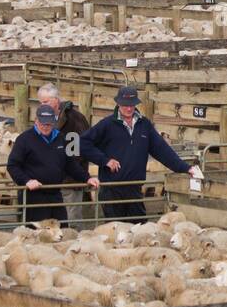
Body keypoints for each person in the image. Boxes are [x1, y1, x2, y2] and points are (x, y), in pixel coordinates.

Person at [80, 85, 202, 221]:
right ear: (118, 103)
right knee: (117, 231)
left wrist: (186, 167)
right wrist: (105, 160)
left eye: (132, 105)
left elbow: (162, 150)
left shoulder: (144, 125)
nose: (129, 108)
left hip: (135, 187)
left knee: (139, 228)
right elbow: (82, 143)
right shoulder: (107, 125)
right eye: (125, 105)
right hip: (112, 189)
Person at [6, 105, 99, 224]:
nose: (45, 127)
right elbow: (12, 165)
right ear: (36, 121)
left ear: (54, 122)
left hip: (55, 194)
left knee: (61, 230)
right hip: (34, 196)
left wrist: (87, 178)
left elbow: (70, 164)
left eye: (49, 124)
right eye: (42, 123)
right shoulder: (24, 140)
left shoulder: (60, 138)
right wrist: (27, 181)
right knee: (37, 233)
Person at [37, 83, 92, 218]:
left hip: (69, 181)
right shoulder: (41, 119)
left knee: (71, 219)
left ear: (56, 99)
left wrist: (61, 168)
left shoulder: (74, 119)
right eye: (41, 102)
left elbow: (78, 152)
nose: (43, 105)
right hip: (48, 181)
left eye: (46, 101)